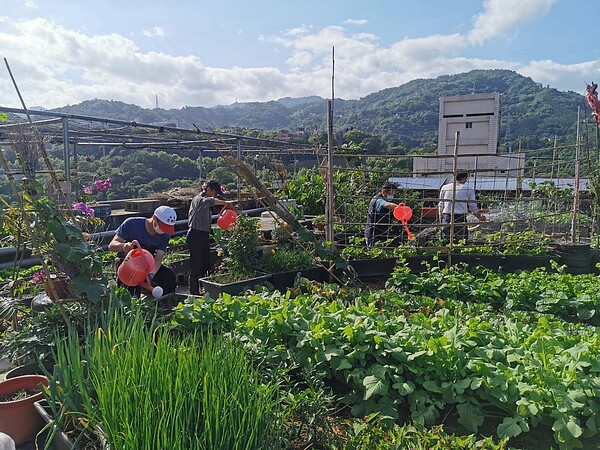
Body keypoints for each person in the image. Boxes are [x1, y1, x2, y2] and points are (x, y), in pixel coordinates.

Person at [108, 205, 178, 296]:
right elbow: (111, 245)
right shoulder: (132, 224)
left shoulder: (165, 235)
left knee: (168, 277)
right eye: (162, 227)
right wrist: (124, 246)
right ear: (154, 218)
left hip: (147, 265)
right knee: (130, 293)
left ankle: (165, 304)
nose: (164, 231)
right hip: (128, 264)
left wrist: (151, 274)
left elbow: (158, 259)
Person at [187, 180, 235, 295]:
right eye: (214, 192)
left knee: (205, 264)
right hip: (195, 234)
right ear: (208, 189)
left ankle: (204, 290)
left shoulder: (207, 203)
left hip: (203, 235)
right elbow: (209, 201)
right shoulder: (198, 199)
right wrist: (225, 203)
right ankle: (194, 293)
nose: (215, 195)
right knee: (196, 265)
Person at [438, 172, 486, 243]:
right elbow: (473, 206)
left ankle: (445, 253)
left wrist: (440, 215)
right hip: (460, 217)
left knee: (445, 239)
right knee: (461, 240)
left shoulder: (445, 187)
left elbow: (441, 203)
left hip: (446, 216)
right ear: (464, 179)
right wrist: (479, 217)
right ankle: (459, 252)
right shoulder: (468, 189)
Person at [364, 181, 400, 249]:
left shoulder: (382, 199)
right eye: (390, 193)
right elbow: (387, 205)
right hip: (374, 235)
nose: (392, 195)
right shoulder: (378, 200)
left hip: (381, 234)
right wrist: (400, 208)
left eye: (393, 193)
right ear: (384, 192)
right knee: (375, 254)